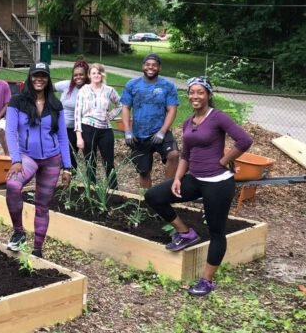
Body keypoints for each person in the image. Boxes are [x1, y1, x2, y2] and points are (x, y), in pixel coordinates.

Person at [144, 77, 252, 297]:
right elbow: (186, 154)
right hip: (195, 179)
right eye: (192, 92)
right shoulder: (188, 122)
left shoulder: (218, 117)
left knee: (216, 231)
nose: (195, 96)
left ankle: (207, 280)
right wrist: (177, 178)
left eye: (200, 92)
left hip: (218, 183)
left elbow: (244, 140)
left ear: (208, 95)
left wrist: (223, 161)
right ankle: (186, 233)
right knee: (154, 196)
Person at [4, 62, 71, 259]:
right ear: (30, 77)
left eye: (43, 76)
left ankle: (37, 251)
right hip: (27, 157)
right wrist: (15, 159)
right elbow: (10, 131)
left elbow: (62, 137)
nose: (39, 79)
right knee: (13, 186)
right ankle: (18, 232)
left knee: (43, 205)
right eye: (35, 75)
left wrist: (67, 167)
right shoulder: (17, 101)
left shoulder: (55, 105)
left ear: (48, 79)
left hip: (52, 159)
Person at [120, 53, 179, 189]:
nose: (150, 67)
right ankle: (148, 200)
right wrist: (128, 131)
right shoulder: (132, 85)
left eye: (154, 65)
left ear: (159, 67)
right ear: (143, 66)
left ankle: (166, 191)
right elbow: (125, 107)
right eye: (147, 65)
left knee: (174, 155)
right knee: (144, 171)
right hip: (139, 134)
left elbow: (172, 110)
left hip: (160, 131)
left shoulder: (168, 86)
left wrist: (162, 132)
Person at [74, 63, 122, 187]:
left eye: (99, 73)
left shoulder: (109, 90)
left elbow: (120, 104)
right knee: (90, 162)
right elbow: (77, 114)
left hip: (105, 130)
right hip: (87, 129)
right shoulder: (83, 90)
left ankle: (114, 191)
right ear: (89, 75)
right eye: (93, 73)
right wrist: (79, 137)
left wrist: (109, 116)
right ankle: (92, 191)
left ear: (102, 74)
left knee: (109, 163)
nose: (96, 75)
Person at [54, 60, 89, 170]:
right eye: (75, 75)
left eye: (81, 74)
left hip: (84, 128)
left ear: (86, 75)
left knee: (88, 156)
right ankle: (69, 182)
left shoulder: (90, 89)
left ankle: (90, 183)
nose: (78, 77)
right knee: (68, 157)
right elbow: (47, 89)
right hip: (65, 128)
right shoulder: (66, 85)